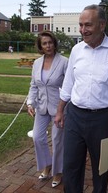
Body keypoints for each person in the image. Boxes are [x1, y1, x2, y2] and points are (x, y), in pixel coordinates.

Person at [55, 4, 108, 193]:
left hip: (104, 119)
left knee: (101, 168)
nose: (83, 30)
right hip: (75, 116)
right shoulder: (76, 50)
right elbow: (68, 83)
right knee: (71, 167)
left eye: (88, 25)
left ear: (102, 25)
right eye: (81, 25)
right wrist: (60, 110)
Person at [26, 31, 68, 188]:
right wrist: (30, 103)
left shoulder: (64, 62)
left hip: (60, 109)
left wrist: (63, 109)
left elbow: (70, 85)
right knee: (37, 137)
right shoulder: (37, 63)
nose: (48, 45)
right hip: (41, 107)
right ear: (40, 46)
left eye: (50, 42)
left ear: (54, 43)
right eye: (44, 43)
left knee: (58, 141)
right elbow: (34, 85)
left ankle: (58, 171)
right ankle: (47, 165)